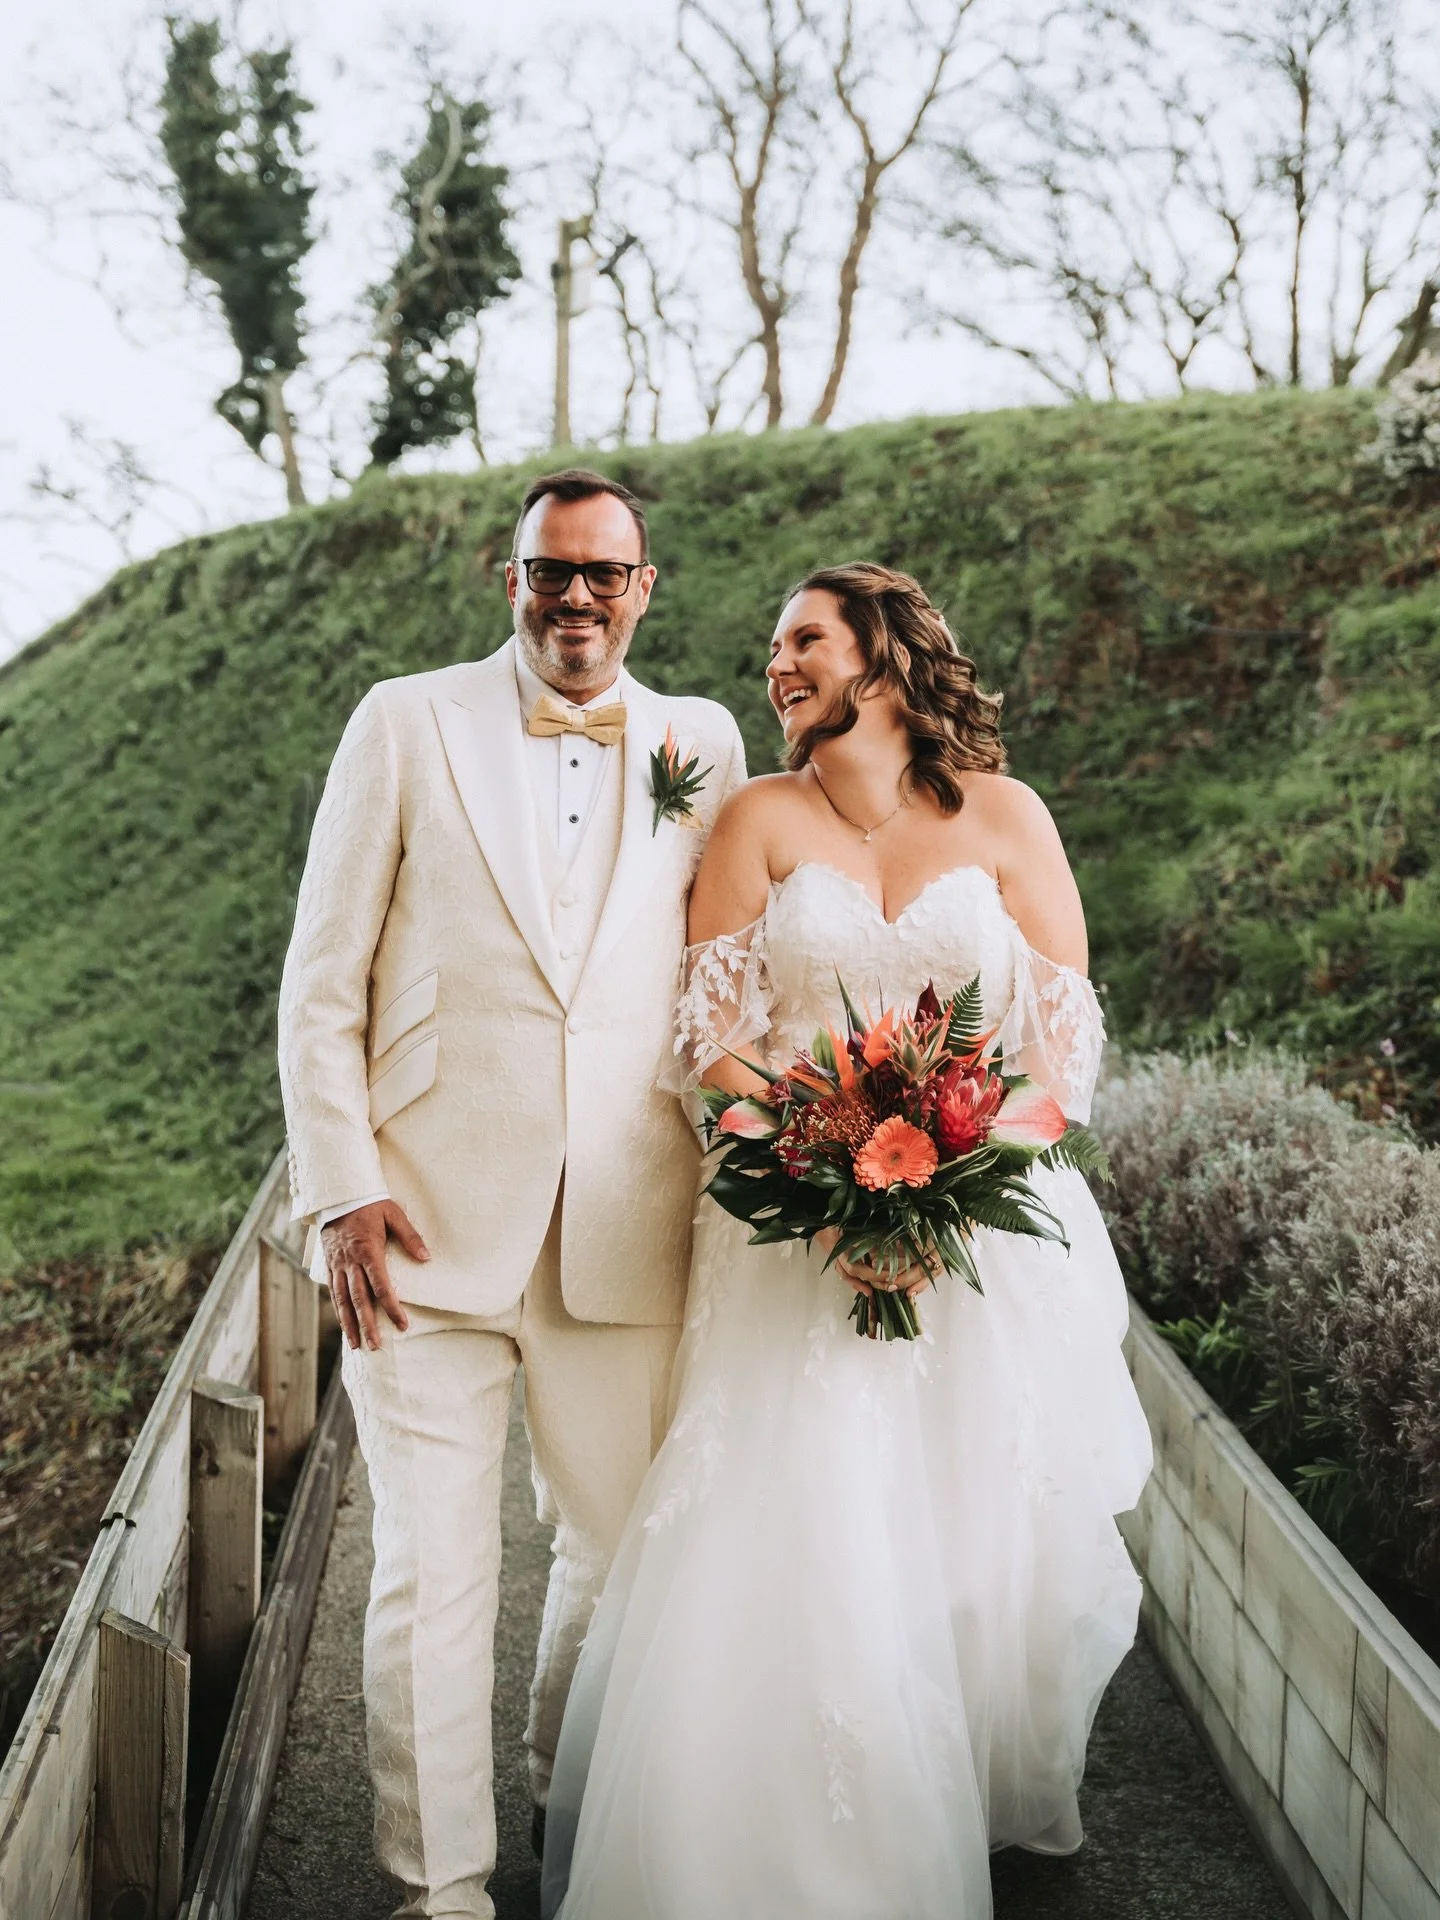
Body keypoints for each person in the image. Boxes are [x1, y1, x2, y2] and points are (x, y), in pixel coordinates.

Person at [541, 562, 1154, 1920]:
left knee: (977, 1534)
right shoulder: (756, 819)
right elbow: (712, 1045)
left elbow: (1063, 1051)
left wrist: (948, 1182)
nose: (779, 663)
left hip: (983, 1241)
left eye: (804, 639)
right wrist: (829, 1182)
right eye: (774, 647)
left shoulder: (1008, 817)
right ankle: (785, 1841)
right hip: (786, 1240)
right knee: (803, 1520)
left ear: (884, 651)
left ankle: (957, 1792)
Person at [276, 469, 746, 1920]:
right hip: (417, 1227)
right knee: (432, 1571)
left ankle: (569, 1794)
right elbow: (319, 983)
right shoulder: (404, 720)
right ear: (513, 580)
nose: (576, 598)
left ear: (644, 589)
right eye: (552, 571)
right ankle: (443, 1890)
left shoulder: (704, 742)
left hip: (629, 1225)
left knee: (621, 1550)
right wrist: (341, 1190)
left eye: (605, 574)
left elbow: (729, 974)